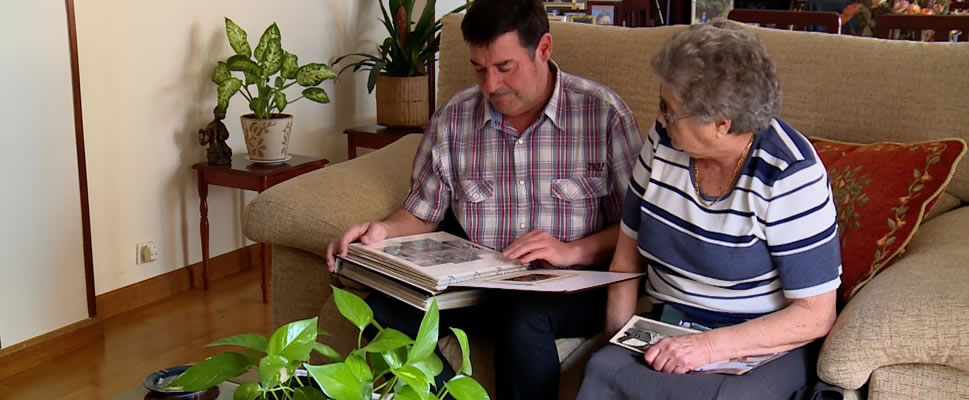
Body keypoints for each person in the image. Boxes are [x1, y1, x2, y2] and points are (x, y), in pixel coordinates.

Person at [325, 0, 643, 399]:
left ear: (543, 49)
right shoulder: (454, 119)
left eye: (504, 68)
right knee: (381, 313)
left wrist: (571, 250)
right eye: (479, 69)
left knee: (522, 316)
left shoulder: (603, 115)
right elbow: (421, 213)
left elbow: (639, 228)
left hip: (572, 288)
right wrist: (381, 231)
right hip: (478, 284)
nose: (490, 85)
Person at [577, 21, 843, 400]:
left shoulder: (789, 174)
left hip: (760, 341)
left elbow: (815, 314)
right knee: (605, 370)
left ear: (722, 123)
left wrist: (707, 348)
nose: (659, 120)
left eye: (669, 111)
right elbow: (626, 257)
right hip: (673, 323)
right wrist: (615, 341)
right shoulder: (664, 144)